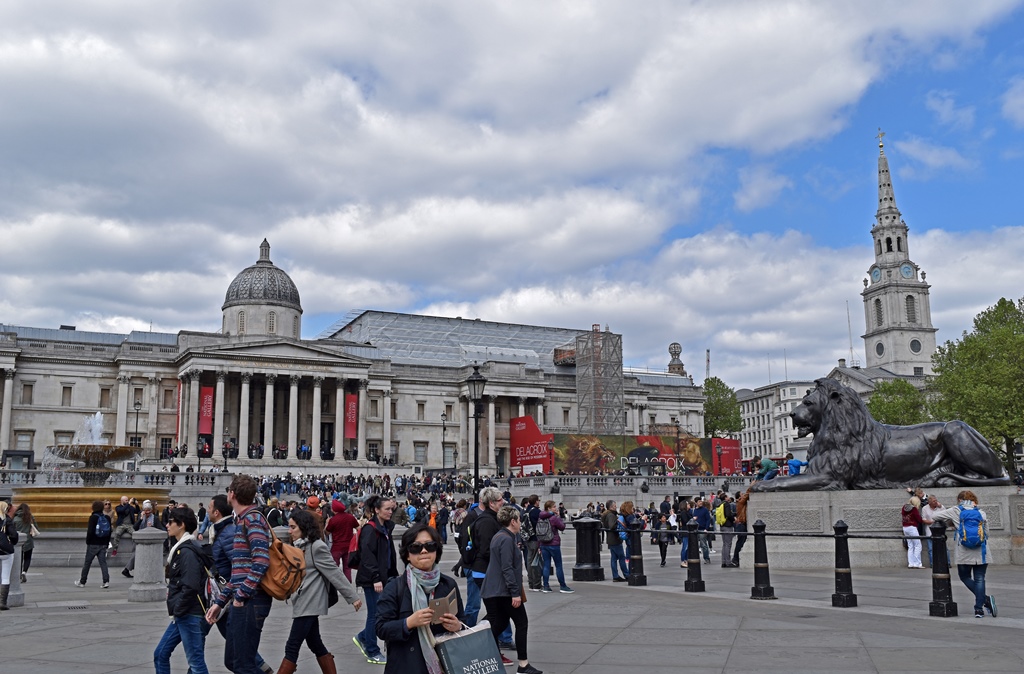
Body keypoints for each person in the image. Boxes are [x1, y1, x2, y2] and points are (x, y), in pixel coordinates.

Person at [279, 509, 363, 674]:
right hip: (302, 599)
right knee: (315, 643)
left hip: (310, 601)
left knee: (292, 646)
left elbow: (334, 572)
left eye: (293, 527)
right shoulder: (297, 546)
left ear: (303, 527)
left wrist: (352, 597)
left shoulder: (316, 546)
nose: (289, 531)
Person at [205, 475, 274, 674]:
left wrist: (241, 595)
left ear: (232, 494)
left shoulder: (252, 519)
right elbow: (238, 571)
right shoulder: (242, 520)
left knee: (243, 665)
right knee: (233, 662)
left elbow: (261, 561)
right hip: (242, 599)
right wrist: (220, 602)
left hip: (251, 601)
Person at [375, 523, 465, 674]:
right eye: (416, 547)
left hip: (444, 664)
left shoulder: (448, 584)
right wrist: (408, 623)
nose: (424, 551)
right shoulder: (395, 587)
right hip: (406, 666)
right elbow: (381, 628)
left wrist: (458, 626)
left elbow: (464, 620)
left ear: (436, 551)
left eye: (430, 546)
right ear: (407, 555)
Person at [482, 505, 542, 674]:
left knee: (498, 624)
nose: (520, 524)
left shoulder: (500, 536)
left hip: (496, 590)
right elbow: (507, 568)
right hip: (504, 591)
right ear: (513, 521)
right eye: (519, 520)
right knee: (521, 623)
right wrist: (514, 593)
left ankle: (485, 653)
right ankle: (523, 665)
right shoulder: (507, 539)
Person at [154, 506, 212, 674]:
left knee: (196, 664)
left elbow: (190, 585)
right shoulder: (182, 548)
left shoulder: (186, 551)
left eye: (171, 522)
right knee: (160, 654)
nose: (167, 525)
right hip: (183, 613)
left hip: (189, 613)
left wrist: (178, 608)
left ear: (182, 525)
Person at [932, 490, 997, 619]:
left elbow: (935, 517)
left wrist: (951, 523)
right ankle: (979, 610)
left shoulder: (956, 510)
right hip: (981, 552)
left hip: (964, 552)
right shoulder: (981, 512)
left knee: (964, 577)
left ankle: (986, 599)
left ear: (959, 500)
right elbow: (987, 533)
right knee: (980, 579)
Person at [353, 494, 399, 665]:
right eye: (387, 509)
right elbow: (367, 555)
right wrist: (376, 578)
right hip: (372, 579)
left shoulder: (385, 527)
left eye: (391, 508)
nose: (390, 511)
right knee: (375, 614)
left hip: (383, 576)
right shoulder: (370, 529)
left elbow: (388, 554)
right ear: (376, 510)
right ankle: (372, 650)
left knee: (381, 613)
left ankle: (363, 637)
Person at [74, 499, 111, 589]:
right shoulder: (107, 518)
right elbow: (110, 531)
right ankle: (106, 581)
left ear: (93, 508)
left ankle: (82, 582)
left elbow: (90, 531)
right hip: (103, 544)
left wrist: (88, 541)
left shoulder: (93, 517)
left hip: (93, 544)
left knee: (87, 563)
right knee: (103, 563)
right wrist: (106, 543)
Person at [537, 500, 572, 593]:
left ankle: (546, 585)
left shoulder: (540, 517)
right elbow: (562, 527)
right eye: (554, 507)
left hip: (543, 544)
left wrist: (539, 545)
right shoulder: (553, 518)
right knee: (558, 565)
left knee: (546, 565)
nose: (555, 508)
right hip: (553, 543)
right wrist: (558, 517)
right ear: (549, 508)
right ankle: (563, 586)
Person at [124, 499, 165, 578]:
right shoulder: (140, 516)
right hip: (139, 538)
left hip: (150, 539)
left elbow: (159, 528)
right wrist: (141, 519)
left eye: (149, 510)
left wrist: (152, 527)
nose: (147, 512)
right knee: (135, 554)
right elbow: (135, 527)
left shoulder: (155, 518)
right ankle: (127, 569)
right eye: (145, 510)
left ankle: (128, 569)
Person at [325, 499, 359, 581]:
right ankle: (348, 585)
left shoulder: (333, 520)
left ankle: (336, 583)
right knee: (347, 568)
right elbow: (359, 528)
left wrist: (327, 523)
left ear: (334, 509)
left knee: (334, 566)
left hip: (337, 546)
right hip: (349, 546)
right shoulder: (350, 517)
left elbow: (327, 533)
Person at [12, 502, 37, 583]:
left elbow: (12, 529)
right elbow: (36, 527)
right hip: (28, 541)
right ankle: (24, 572)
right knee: (27, 558)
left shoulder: (15, 518)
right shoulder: (30, 518)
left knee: (19, 558)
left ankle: (18, 574)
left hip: (18, 541)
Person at [0, 500, 18, 609]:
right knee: (5, 577)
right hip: (6, 551)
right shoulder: (7, 519)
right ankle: (2, 602)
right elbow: (14, 535)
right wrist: (11, 543)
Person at [902, 496, 924, 569]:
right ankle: (917, 563)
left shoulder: (904, 507)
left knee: (910, 546)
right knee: (918, 545)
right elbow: (919, 519)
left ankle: (910, 563)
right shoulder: (914, 509)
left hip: (905, 527)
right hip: (912, 527)